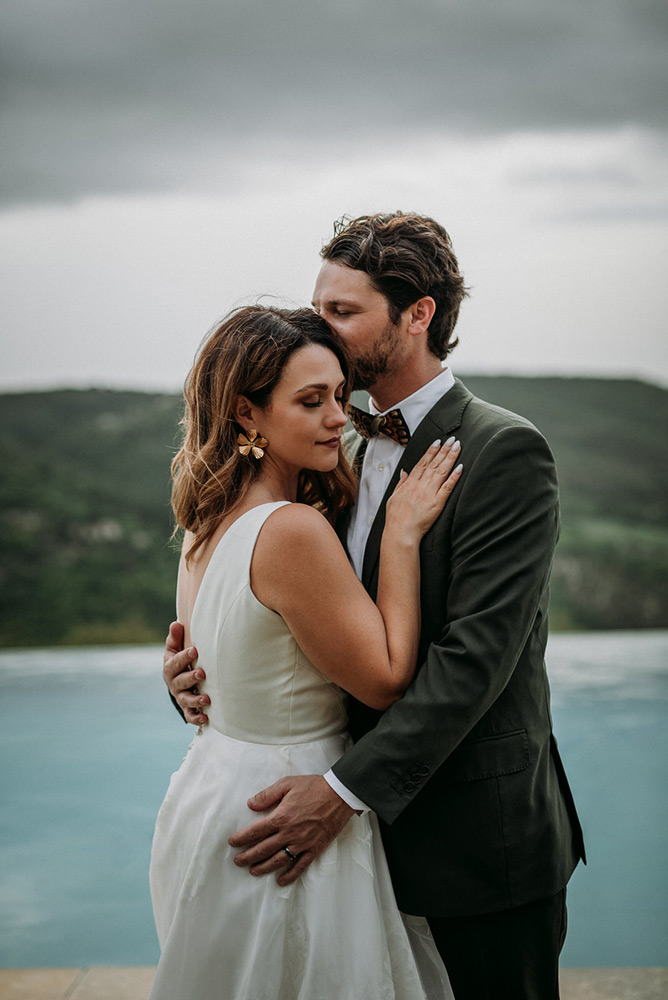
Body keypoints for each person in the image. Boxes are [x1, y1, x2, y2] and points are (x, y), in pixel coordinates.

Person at [165, 212, 586, 1000]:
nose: (317, 325)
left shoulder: (503, 451)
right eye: (319, 305)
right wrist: (199, 667)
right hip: (344, 846)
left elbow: (475, 663)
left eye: (342, 312)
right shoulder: (334, 447)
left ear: (417, 314)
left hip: (472, 845)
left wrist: (344, 790)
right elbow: (290, 611)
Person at [150, 304, 463, 1000]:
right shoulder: (292, 530)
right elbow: (383, 680)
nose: (336, 418)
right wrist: (403, 537)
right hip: (288, 808)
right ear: (246, 414)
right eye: (310, 400)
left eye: (339, 397)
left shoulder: (205, 524)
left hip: (212, 791)